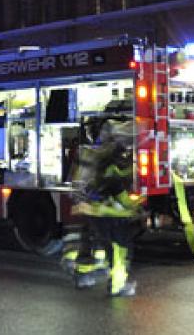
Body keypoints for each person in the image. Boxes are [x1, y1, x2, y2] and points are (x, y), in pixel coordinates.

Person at [66, 118, 141, 297]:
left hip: (90, 210)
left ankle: (82, 276)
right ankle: (117, 285)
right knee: (120, 249)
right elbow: (117, 186)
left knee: (91, 244)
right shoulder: (109, 159)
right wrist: (135, 205)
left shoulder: (87, 153)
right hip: (107, 213)